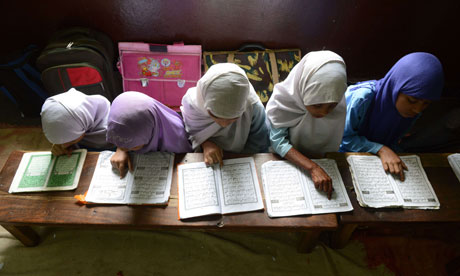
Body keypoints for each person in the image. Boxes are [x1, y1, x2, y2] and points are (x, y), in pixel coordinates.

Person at [340, 52, 444, 181]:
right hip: (344, 156)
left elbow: (393, 141)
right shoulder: (363, 98)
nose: (417, 110)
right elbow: (343, 139)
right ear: (396, 87)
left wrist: (391, 152)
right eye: (411, 100)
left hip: (375, 158)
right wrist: (381, 149)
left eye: (426, 104)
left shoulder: (412, 109)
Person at [266, 50, 347, 199]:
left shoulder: (339, 103)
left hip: (323, 159)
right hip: (285, 160)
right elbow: (277, 142)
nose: (324, 113)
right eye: (317, 105)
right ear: (302, 89)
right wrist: (312, 167)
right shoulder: (283, 101)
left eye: (332, 106)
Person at [181, 63, 270, 166]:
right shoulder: (193, 104)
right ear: (203, 99)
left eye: (234, 118)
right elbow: (191, 132)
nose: (224, 124)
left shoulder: (253, 107)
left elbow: (258, 144)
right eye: (214, 115)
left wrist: (240, 161)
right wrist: (205, 143)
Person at [107, 91, 192, 177]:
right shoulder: (131, 132)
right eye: (119, 144)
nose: (126, 149)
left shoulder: (177, 138)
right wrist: (120, 150)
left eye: (133, 146)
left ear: (152, 131)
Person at [41, 88, 112, 156]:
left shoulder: (113, 128)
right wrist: (58, 147)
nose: (64, 145)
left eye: (70, 140)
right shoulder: (79, 122)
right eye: (60, 142)